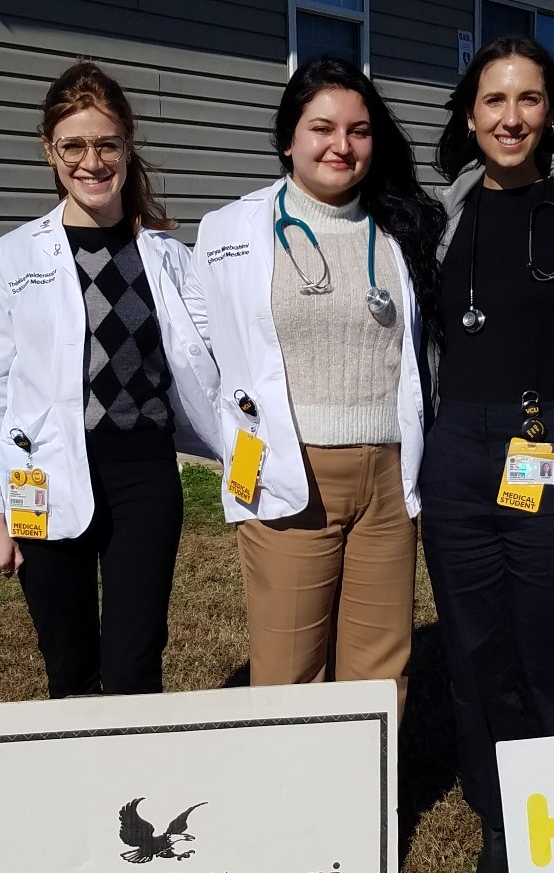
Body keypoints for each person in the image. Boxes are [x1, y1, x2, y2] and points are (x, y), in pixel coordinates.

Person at [183, 58, 445, 702]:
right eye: (322, 127)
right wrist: (236, 442)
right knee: (289, 665)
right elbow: (195, 353)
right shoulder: (230, 232)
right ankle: (291, 801)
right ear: (288, 139)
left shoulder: (401, 229)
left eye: (359, 130)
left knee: (380, 665)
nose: (342, 145)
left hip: (386, 478)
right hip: (289, 473)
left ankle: (367, 801)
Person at [0, 62, 221, 699]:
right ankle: (78, 788)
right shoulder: (16, 255)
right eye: (73, 145)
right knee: (69, 663)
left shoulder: (167, 257)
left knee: (135, 663)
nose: (91, 161)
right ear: (49, 151)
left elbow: (224, 350)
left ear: (128, 146)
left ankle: (134, 789)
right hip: (44, 476)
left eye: (106, 143)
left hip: (144, 477)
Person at [423, 37, 554, 873]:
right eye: (494, 101)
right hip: (457, 450)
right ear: (470, 115)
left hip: (550, 441)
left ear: (552, 112)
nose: (511, 117)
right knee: (476, 649)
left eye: (529, 100)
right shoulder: (438, 218)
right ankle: (501, 823)